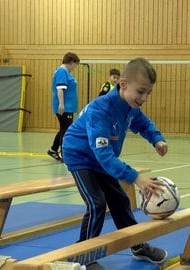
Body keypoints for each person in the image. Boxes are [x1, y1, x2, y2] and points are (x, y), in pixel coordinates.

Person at [62, 58, 168, 269]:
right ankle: (83, 254)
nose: (144, 98)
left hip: (100, 157)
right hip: (80, 156)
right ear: (123, 84)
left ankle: (137, 246)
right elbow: (104, 156)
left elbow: (142, 122)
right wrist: (136, 177)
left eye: (148, 93)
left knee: (120, 200)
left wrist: (156, 138)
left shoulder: (130, 105)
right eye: (140, 91)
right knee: (96, 202)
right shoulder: (100, 111)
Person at [47, 52, 80, 162]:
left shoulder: (65, 72)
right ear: (71, 62)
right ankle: (65, 154)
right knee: (66, 130)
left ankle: (53, 149)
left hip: (68, 106)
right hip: (64, 107)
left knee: (64, 129)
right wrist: (61, 104)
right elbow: (60, 89)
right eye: (75, 65)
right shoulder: (62, 71)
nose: (75, 67)